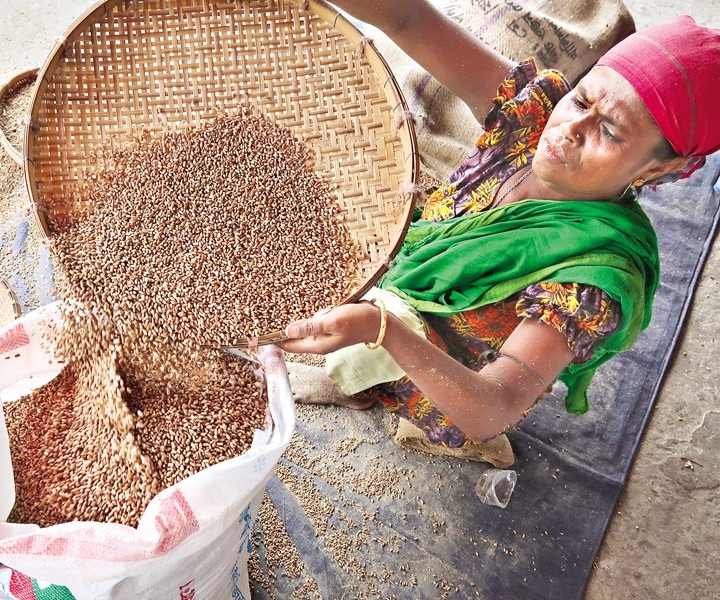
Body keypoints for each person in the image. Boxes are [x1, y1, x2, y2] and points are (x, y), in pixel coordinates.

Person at [278, 3, 720, 468]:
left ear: (659, 168)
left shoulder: (592, 276)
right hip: (404, 278)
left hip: (453, 373)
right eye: (582, 101)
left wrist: (380, 328)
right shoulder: (529, 121)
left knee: (439, 398)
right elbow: (408, 18)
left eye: (608, 131)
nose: (571, 130)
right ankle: (361, 373)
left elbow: (497, 404)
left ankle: (396, 395)